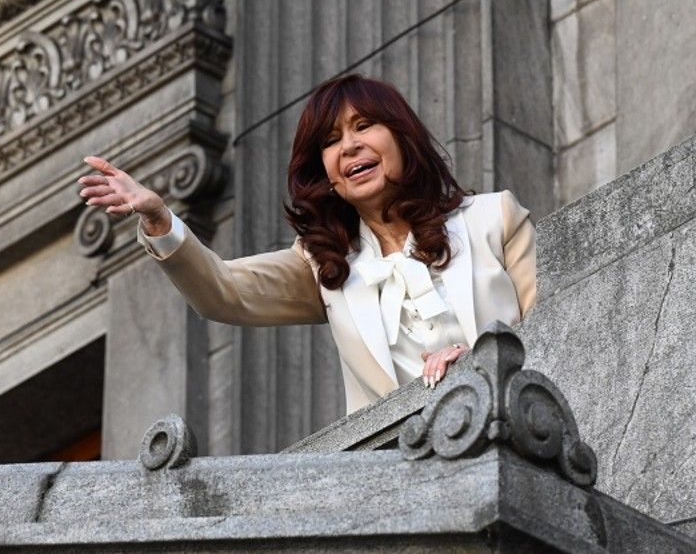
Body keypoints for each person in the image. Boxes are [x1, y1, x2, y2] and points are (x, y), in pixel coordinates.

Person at [77, 74, 535, 413]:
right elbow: (223, 291)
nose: (349, 146)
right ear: (327, 175)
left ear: (403, 137)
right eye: (331, 141)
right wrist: (160, 219)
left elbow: (556, 329)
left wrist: (486, 364)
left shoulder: (493, 218)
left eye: (364, 125)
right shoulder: (328, 268)